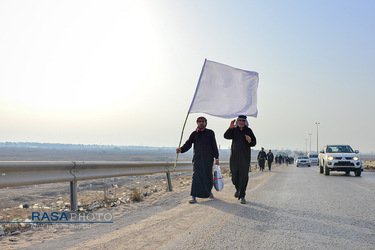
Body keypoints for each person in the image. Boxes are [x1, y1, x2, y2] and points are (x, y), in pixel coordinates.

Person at [176, 116, 219, 204]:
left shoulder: (210, 133)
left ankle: (209, 192)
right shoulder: (194, 134)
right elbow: (188, 144)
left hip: (208, 159)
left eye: (203, 121)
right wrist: (181, 149)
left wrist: (217, 158)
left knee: (208, 176)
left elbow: (214, 145)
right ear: (197, 123)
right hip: (197, 159)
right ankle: (193, 196)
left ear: (206, 123)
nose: (201, 123)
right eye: (199, 121)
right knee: (196, 177)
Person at [224, 115, 256, 204]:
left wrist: (249, 141)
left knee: (243, 176)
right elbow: (226, 136)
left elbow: (254, 143)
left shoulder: (248, 131)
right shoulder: (234, 130)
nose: (241, 122)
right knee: (234, 176)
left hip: (244, 158)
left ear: (245, 122)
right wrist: (230, 128)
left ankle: (242, 195)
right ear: (237, 122)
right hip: (234, 157)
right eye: (239, 121)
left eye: (243, 121)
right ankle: (238, 189)